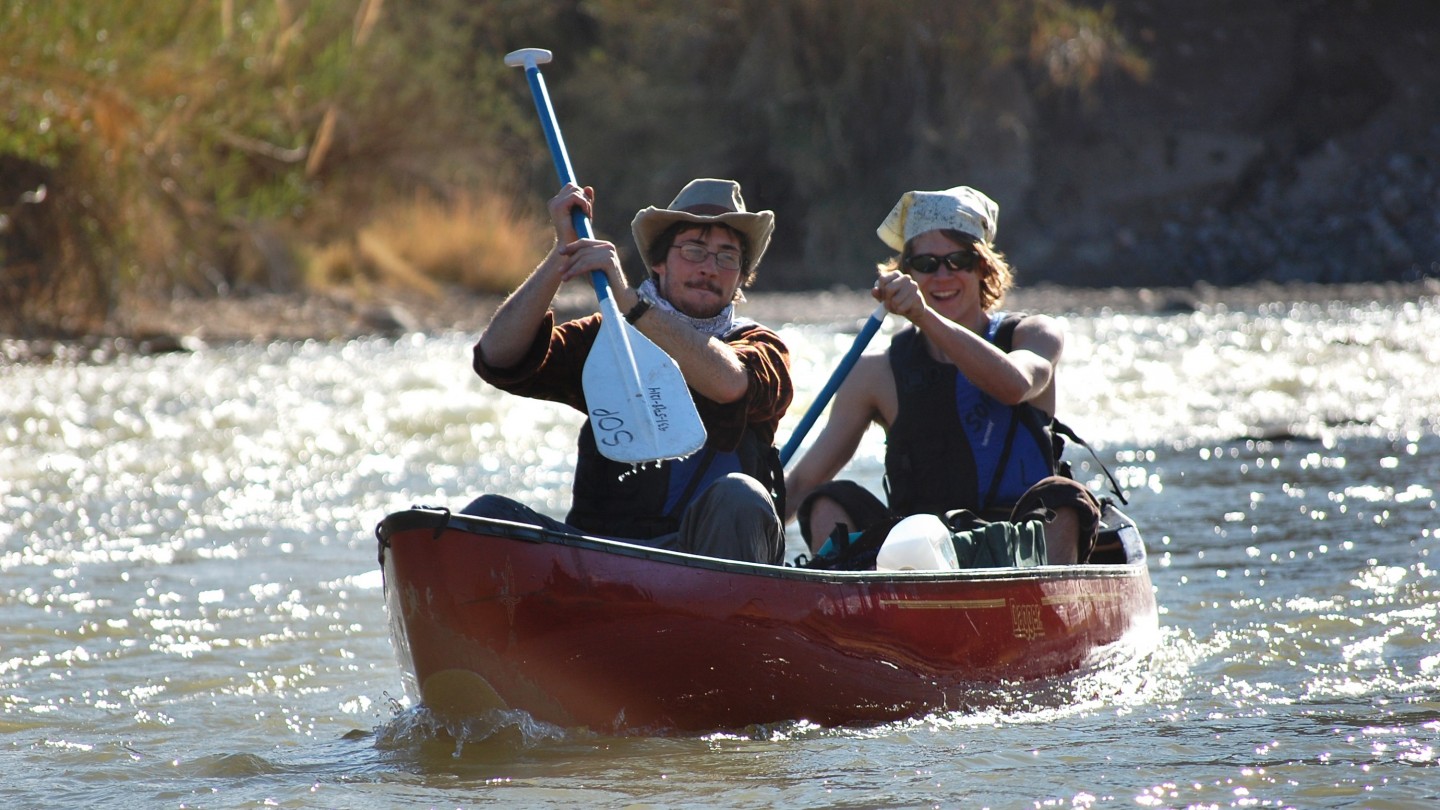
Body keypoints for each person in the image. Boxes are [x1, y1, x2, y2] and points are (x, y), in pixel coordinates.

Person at [464, 178, 793, 565]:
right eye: (693, 249)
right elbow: (497, 358)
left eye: (727, 257)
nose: (709, 268)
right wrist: (562, 255)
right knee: (487, 516)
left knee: (741, 495)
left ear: (739, 277)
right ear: (659, 262)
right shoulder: (607, 338)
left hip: (708, 559)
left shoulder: (762, 347)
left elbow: (730, 383)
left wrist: (631, 306)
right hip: (605, 557)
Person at [783, 185, 1100, 565]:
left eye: (958, 260)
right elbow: (801, 484)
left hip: (1018, 544)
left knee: (1064, 497)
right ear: (907, 274)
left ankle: (1052, 608)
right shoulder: (874, 374)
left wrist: (924, 317)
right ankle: (850, 608)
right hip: (917, 551)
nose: (942, 276)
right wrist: (741, 522)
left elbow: (1015, 386)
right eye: (926, 264)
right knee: (827, 501)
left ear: (982, 266)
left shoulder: (1033, 334)